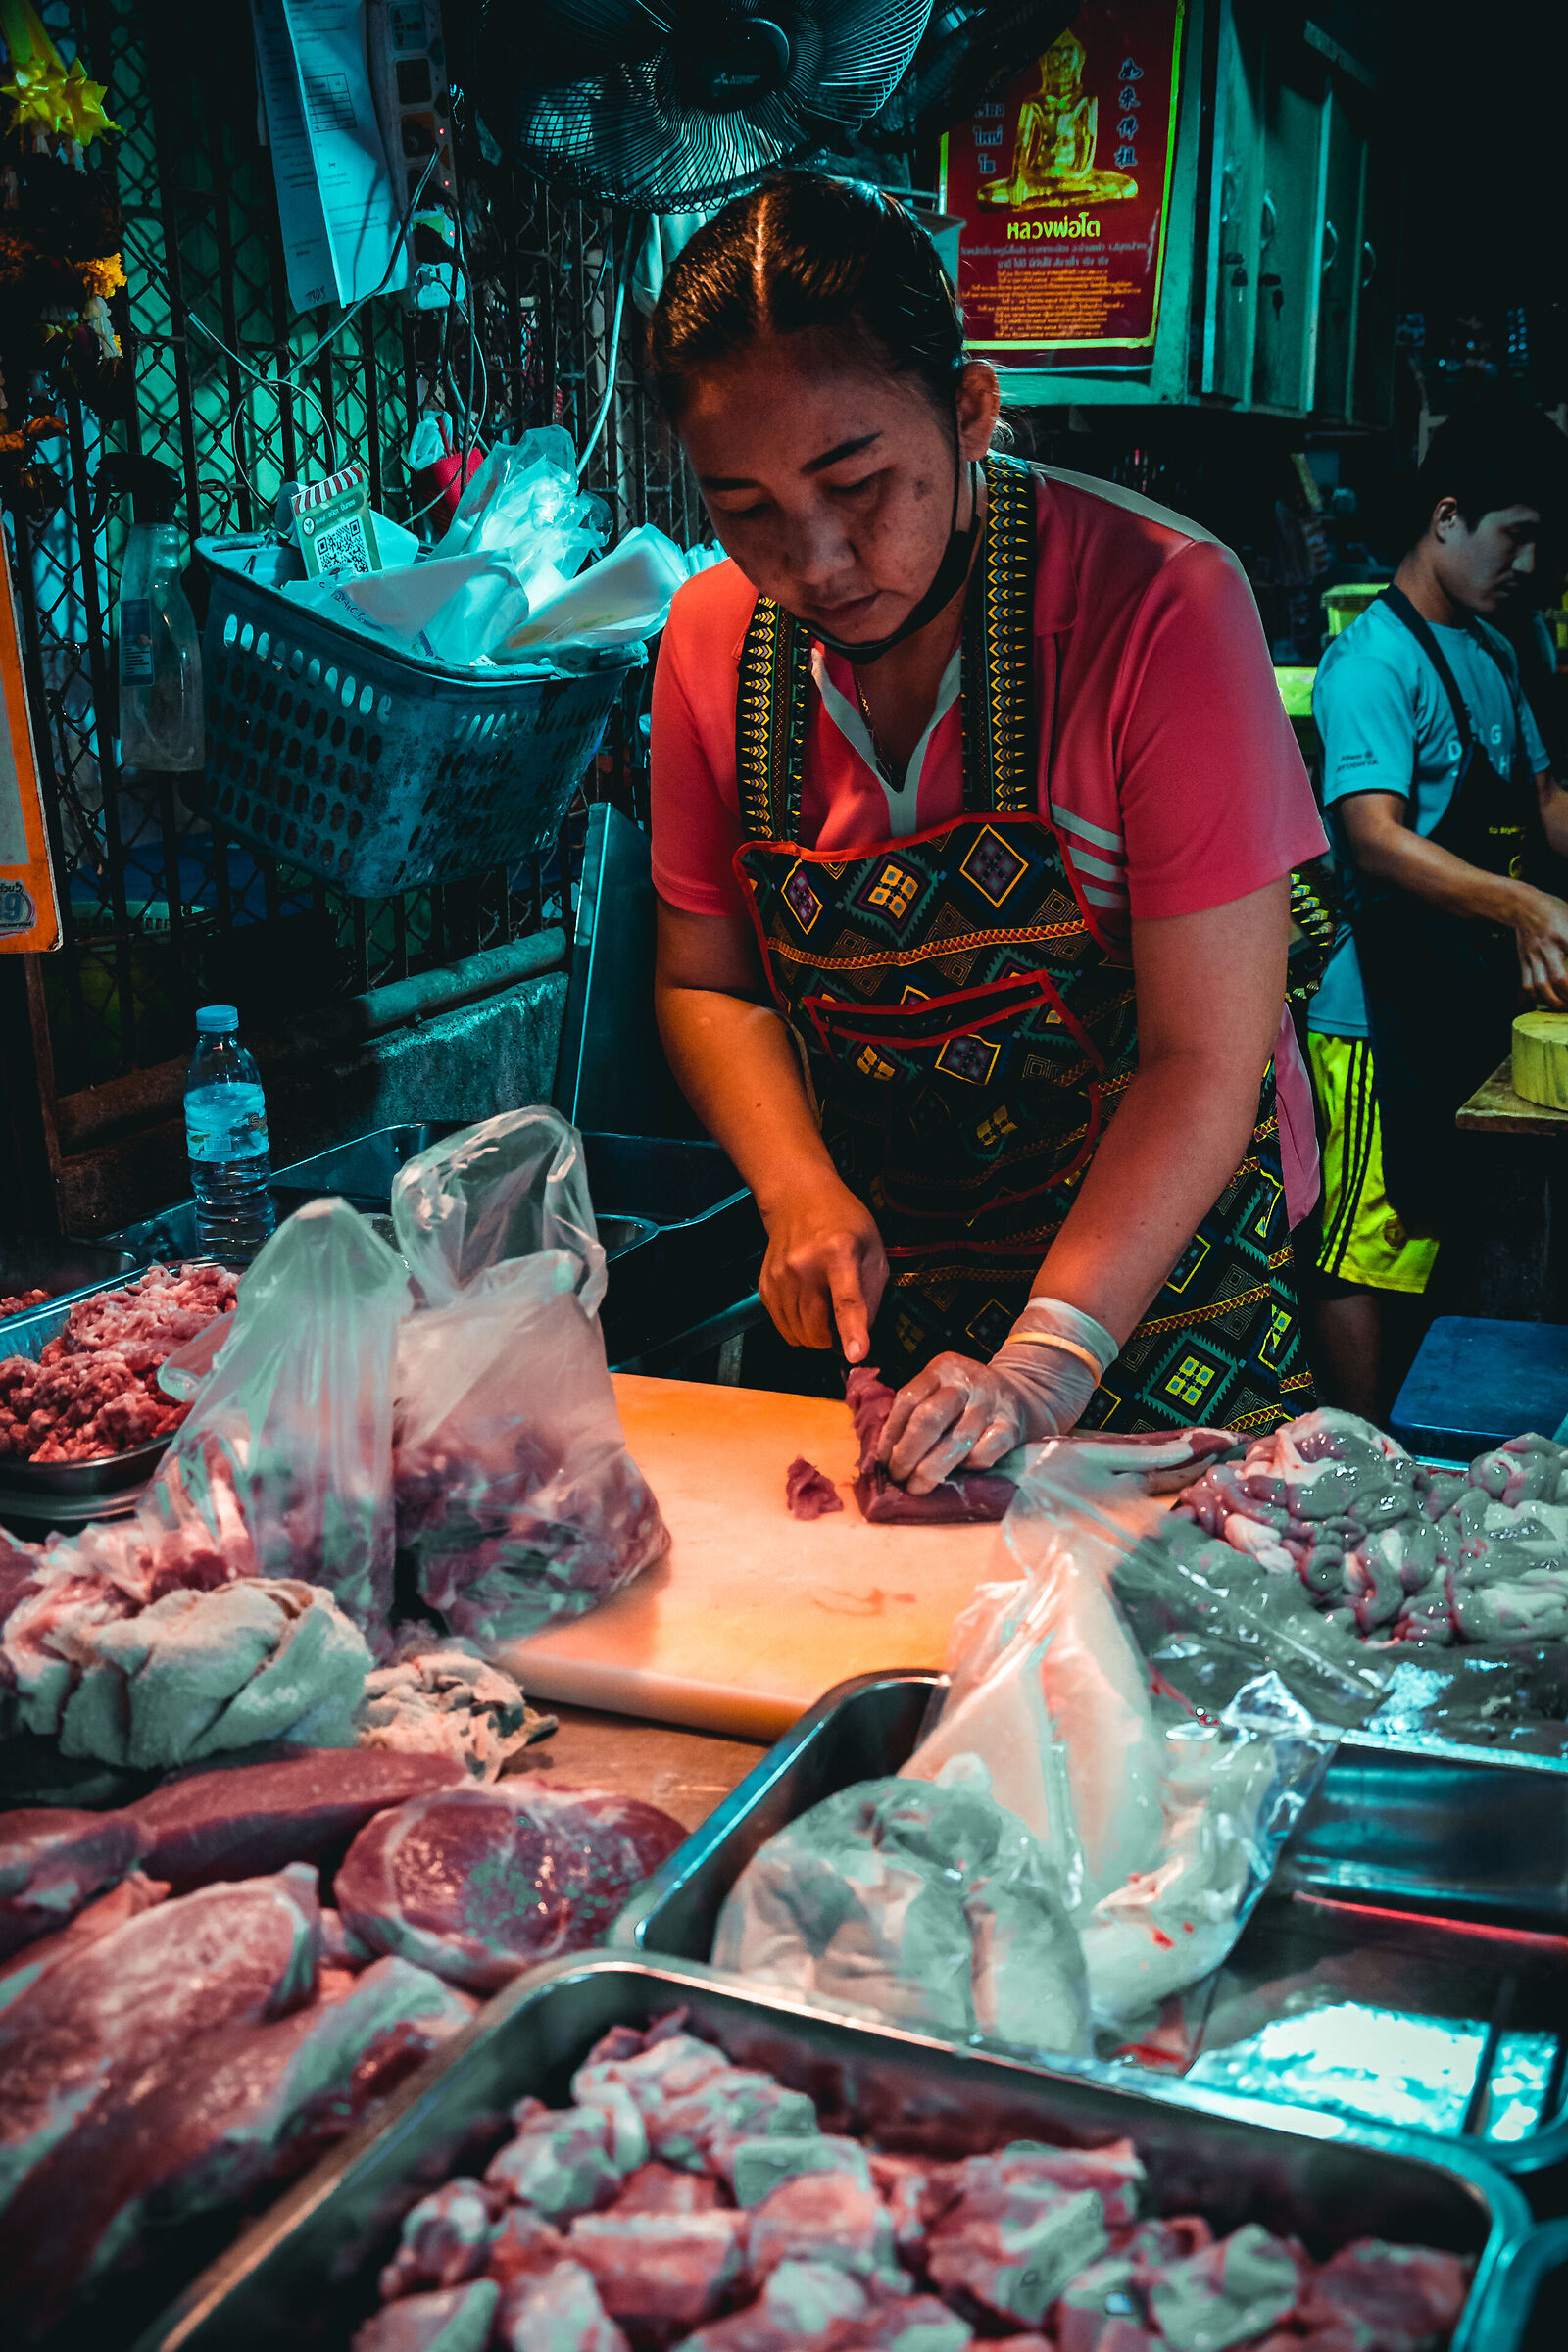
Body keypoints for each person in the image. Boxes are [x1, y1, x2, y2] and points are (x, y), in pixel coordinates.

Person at [645, 174, 1328, 1493]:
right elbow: (705, 981)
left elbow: (1205, 1054)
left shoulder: (1161, 607)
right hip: (891, 1294)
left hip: (1156, 1285)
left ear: (967, 408)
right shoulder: (709, 644)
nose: (815, 561)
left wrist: (1041, 1365)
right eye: (745, 510)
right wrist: (795, 1188)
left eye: (859, 484)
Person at [1307, 402, 1568, 1418]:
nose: (1529, 564)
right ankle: (1364, 1459)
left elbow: (1543, 805)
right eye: (1516, 534)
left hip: (1455, 1005)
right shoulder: (1374, 662)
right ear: (1447, 516)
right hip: (1375, 1018)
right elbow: (1372, 835)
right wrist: (1522, 906)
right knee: (1368, 1249)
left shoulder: (1493, 651)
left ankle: (1435, 1454)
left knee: (1443, 1236)